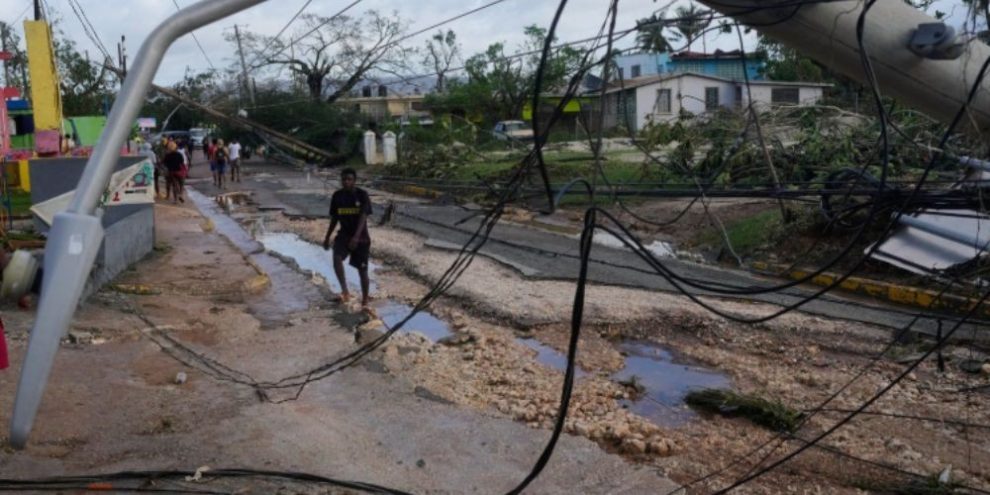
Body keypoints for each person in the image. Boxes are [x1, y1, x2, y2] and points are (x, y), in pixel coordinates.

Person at [323, 168, 372, 307]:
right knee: (336, 257)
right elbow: (334, 218)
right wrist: (327, 237)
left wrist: (356, 238)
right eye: (344, 179)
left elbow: (363, 217)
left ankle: (365, 300)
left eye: (349, 179)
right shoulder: (337, 196)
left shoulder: (362, 195)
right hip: (344, 235)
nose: (346, 182)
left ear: (354, 181)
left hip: (361, 237)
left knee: (362, 270)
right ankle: (345, 291)